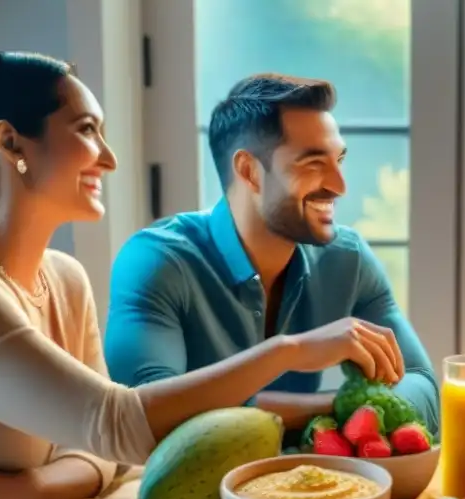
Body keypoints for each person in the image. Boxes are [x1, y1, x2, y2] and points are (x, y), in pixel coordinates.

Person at [0, 53, 404, 499]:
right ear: (11, 143)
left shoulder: (64, 279)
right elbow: (120, 426)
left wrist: (35, 488)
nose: (109, 157)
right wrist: (290, 351)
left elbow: (105, 455)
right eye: (87, 129)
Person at [103, 73, 439, 436]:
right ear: (249, 171)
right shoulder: (156, 262)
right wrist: (292, 354)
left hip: (311, 486)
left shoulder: (348, 259)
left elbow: (423, 390)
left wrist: (345, 410)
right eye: (313, 164)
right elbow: (142, 417)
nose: (339, 186)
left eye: (338, 160)